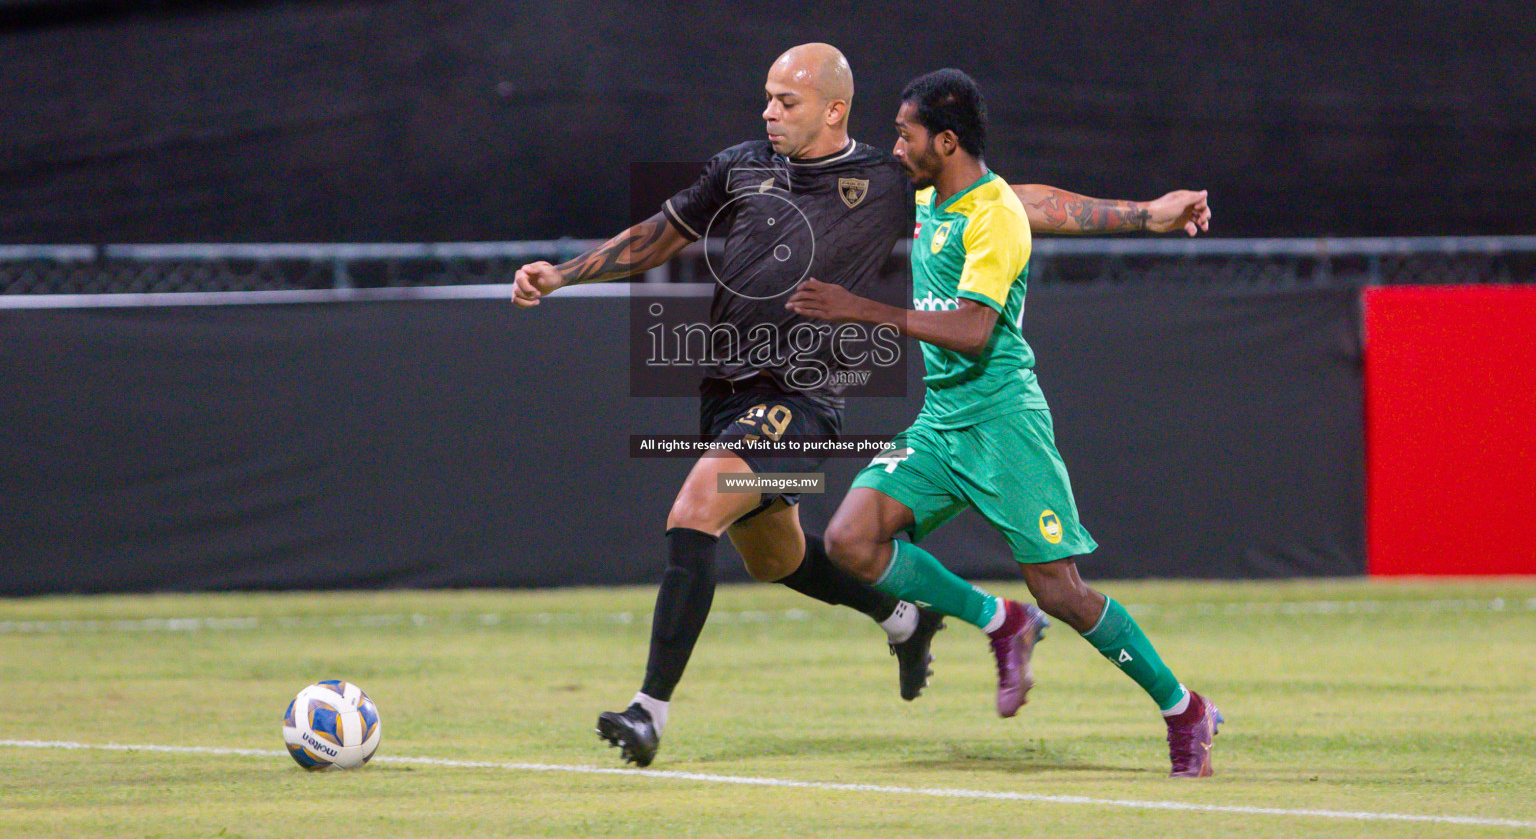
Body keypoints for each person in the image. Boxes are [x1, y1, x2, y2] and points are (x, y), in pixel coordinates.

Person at [513, 44, 1211, 768]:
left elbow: (1016, 201)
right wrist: (563, 275)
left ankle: (648, 711)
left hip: (805, 405)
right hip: (752, 400)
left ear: (833, 110)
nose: (769, 111)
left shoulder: (884, 179)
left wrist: (1146, 216)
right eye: (768, 96)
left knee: (698, 504)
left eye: (787, 100)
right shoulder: (740, 166)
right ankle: (920, 617)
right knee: (784, 555)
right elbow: (661, 234)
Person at [787, 68, 1222, 778]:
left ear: (947, 140)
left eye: (907, 134)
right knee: (850, 540)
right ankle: (1002, 620)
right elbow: (1041, 201)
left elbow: (972, 331)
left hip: (1002, 423)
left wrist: (861, 309)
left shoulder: (990, 220)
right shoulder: (944, 193)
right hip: (943, 423)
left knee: (1062, 590)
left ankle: (1185, 709)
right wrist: (1147, 211)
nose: (897, 147)